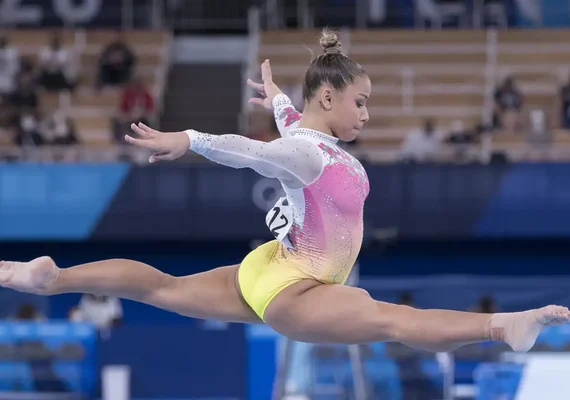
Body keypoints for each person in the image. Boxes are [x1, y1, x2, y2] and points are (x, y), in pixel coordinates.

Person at [0, 30, 568, 353]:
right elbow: (255, 152)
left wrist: (274, 96)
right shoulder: (304, 150)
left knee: (163, 287)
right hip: (294, 291)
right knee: (389, 319)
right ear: (329, 99)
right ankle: (502, 325)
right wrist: (189, 138)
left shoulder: (308, 135)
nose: (367, 113)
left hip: (272, 268)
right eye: (360, 101)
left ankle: (54, 279)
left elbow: (294, 121)